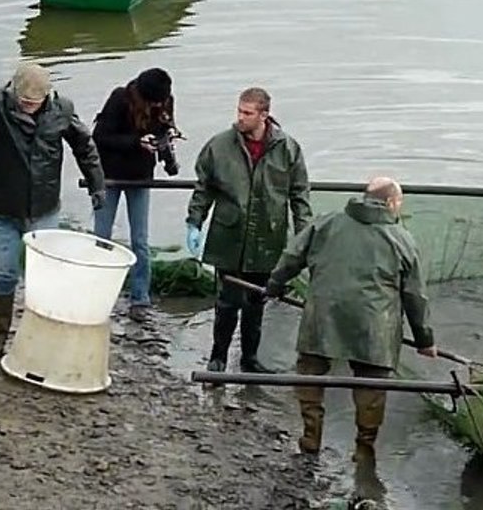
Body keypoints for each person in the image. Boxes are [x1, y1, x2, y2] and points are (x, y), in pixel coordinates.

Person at [265, 177, 437, 461]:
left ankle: (311, 440)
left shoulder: (326, 222)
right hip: (374, 328)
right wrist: (424, 340)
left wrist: (274, 285)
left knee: (310, 376)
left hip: (322, 318)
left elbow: (292, 257)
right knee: (371, 388)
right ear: (392, 203)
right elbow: (414, 295)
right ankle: (363, 449)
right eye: (399, 204)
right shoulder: (402, 239)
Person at [0, 62, 105, 358]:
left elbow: (84, 147)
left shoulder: (62, 109)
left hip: (44, 207)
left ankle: (42, 337)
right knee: (3, 273)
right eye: (23, 102)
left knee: (46, 276)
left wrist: (97, 184)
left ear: (47, 97)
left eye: (34, 103)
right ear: (13, 91)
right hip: (2, 208)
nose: (28, 107)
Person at [185, 87, 312, 374]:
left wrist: (304, 237)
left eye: (247, 113)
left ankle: (249, 359)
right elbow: (204, 187)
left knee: (257, 302)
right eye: (239, 111)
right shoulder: (219, 146)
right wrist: (195, 221)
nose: (240, 118)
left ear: (264, 115)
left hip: (268, 237)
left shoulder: (288, 149)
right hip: (229, 235)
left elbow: (299, 195)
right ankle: (217, 358)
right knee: (227, 302)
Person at [92, 68, 179, 323]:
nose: (158, 105)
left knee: (140, 239)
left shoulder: (164, 103)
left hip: (141, 176)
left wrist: (166, 141)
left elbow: (163, 130)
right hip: (110, 175)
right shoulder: (120, 99)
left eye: (162, 102)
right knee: (101, 237)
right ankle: (97, 292)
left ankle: (140, 298)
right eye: (154, 102)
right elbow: (100, 138)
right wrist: (136, 142)